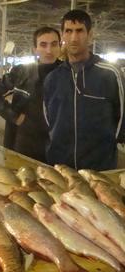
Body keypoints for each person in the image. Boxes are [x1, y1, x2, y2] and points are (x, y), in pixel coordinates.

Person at [44, 10, 125, 170]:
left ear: (90, 35)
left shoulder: (110, 74)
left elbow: (123, 118)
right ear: (63, 36)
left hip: (99, 169)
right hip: (61, 167)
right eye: (68, 31)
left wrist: (105, 147)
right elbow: (49, 119)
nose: (74, 38)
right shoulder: (53, 78)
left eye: (80, 30)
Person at [0, 26, 62, 162]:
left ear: (60, 46)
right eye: (43, 45)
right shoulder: (22, 72)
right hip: (24, 142)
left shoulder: (67, 75)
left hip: (55, 145)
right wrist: (13, 116)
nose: (49, 50)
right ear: (35, 49)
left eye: (54, 44)